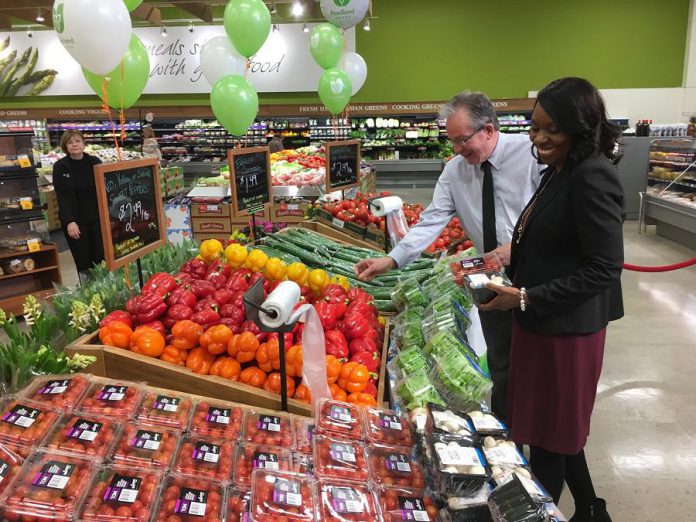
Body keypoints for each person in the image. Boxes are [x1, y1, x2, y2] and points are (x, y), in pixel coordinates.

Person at [480, 77, 624, 521]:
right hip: (543, 323)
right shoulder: (559, 170)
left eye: (551, 129)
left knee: (550, 439)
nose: (538, 138)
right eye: (534, 126)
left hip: (567, 332)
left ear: (580, 128)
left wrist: (524, 297)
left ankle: (538, 514)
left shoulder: (592, 175)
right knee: (553, 430)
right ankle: (591, 508)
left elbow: (604, 268)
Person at [354, 91, 543, 420]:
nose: (456, 150)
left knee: (538, 364)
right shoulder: (456, 171)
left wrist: (518, 248)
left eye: (462, 140)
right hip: (491, 277)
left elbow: (552, 215)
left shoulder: (530, 155)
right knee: (501, 360)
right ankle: (508, 436)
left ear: (488, 129)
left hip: (536, 272)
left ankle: (540, 433)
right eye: (451, 141)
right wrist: (392, 259)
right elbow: (431, 221)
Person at [53, 130, 105, 283]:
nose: (74, 144)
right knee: (83, 260)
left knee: (100, 257)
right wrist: (69, 221)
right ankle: (87, 290)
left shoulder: (95, 162)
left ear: (83, 143)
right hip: (75, 221)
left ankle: (104, 289)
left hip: (97, 218)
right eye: (70, 142)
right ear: (65, 146)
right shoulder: (61, 167)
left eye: (77, 141)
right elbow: (61, 197)